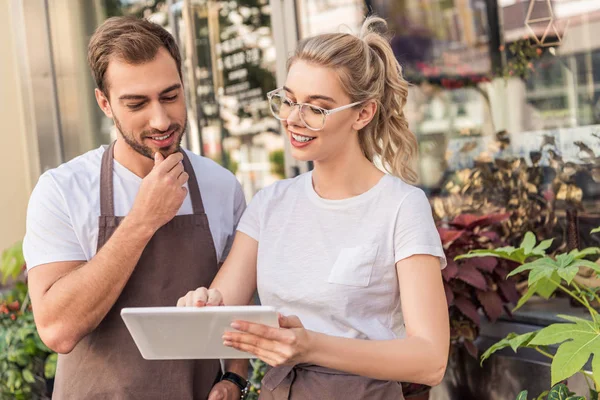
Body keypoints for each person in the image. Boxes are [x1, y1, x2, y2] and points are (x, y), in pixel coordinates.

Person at [177, 16, 450, 399]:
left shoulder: (401, 206)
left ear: (363, 113)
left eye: (316, 108)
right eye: (288, 100)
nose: (293, 118)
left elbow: (430, 359)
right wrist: (203, 304)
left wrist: (310, 346)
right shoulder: (270, 204)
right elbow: (224, 306)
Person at [23, 17, 248, 399]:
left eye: (170, 96)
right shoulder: (62, 191)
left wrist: (235, 379)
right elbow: (57, 330)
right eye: (137, 103)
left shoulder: (221, 186)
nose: (161, 120)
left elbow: (236, 305)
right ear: (105, 103)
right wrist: (143, 218)